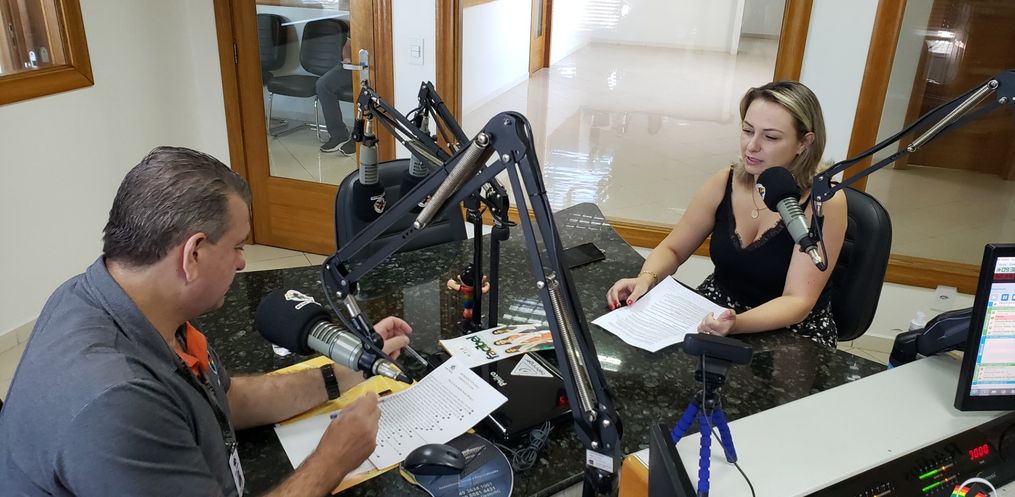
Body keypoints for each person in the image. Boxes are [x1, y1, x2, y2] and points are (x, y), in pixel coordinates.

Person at [0, 146, 412, 496]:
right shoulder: (118, 403)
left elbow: (225, 398)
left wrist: (343, 371)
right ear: (193, 254)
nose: (242, 262)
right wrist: (333, 458)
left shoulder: (120, 299)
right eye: (237, 246)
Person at [606, 81, 847, 347]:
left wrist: (736, 324)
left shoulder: (825, 201)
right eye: (747, 130)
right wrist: (646, 279)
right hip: (718, 311)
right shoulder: (726, 180)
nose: (751, 146)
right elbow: (673, 249)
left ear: (804, 142)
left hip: (791, 332)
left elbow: (797, 301)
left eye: (770, 137)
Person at [317, 28, 356, 155]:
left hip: (373, 67)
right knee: (323, 85)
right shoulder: (357, 21)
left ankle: (358, 138)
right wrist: (347, 58)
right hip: (352, 66)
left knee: (365, 89)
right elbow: (348, 45)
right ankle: (338, 134)